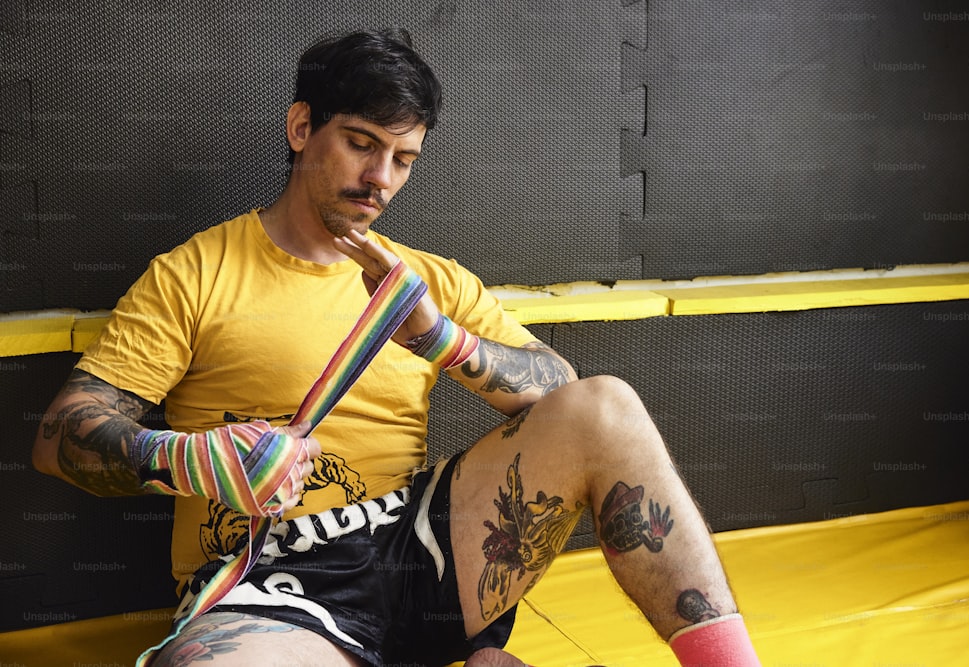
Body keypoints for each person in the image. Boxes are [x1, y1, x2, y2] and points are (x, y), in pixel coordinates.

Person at [32, 29, 761, 667]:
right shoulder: (197, 272)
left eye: (403, 159)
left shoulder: (426, 280)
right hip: (268, 580)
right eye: (361, 144)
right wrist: (186, 457)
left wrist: (439, 339)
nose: (381, 178)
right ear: (299, 127)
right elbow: (61, 433)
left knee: (608, 404)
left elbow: (565, 397)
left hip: (421, 549)